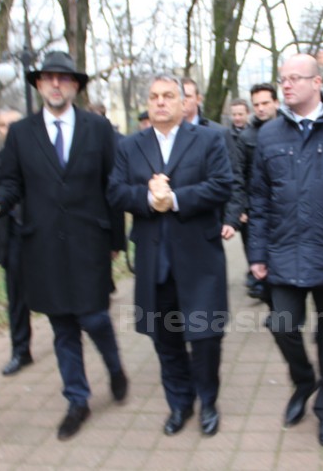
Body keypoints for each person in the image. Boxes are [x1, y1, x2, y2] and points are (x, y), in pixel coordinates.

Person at [0, 51, 128, 441]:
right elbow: (12, 184)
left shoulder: (98, 128)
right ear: (38, 85)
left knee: (95, 318)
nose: (55, 84)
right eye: (48, 77)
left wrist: (116, 241)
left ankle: (115, 368)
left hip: (90, 243)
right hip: (44, 246)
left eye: (63, 78)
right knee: (63, 326)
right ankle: (77, 400)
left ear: (75, 86)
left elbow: (113, 186)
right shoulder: (22, 133)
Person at [248, 54, 323, 447]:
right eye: (282, 78)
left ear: (317, 82)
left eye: (295, 78)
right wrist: (257, 254)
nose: (286, 85)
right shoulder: (269, 134)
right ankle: (304, 382)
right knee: (282, 324)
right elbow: (259, 199)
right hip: (285, 252)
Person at [107, 74, 234, 437]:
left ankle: (208, 401)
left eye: (168, 96)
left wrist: (175, 199)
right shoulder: (130, 146)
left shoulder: (208, 139)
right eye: (154, 96)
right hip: (154, 264)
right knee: (166, 340)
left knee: (206, 339)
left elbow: (222, 185)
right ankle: (179, 403)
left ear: (183, 102)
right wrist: (149, 198)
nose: (160, 102)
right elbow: (115, 191)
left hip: (200, 260)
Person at [0, 108, 34, 376]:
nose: (9, 130)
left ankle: (69, 337)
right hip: (13, 237)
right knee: (16, 297)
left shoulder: (40, 157)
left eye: (14, 124)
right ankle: (20, 350)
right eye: (3, 125)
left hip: (43, 235)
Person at [180, 76, 244, 243]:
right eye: (179, 96)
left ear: (198, 99)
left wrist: (231, 219)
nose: (182, 100)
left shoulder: (218, 133)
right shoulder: (166, 134)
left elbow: (234, 178)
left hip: (211, 221)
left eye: (187, 96)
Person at [235, 83, 280, 303]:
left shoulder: (288, 131)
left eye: (265, 103)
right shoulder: (246, 137)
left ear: (276, 103)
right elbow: (238, 175)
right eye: (257, 105)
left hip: (282, 205)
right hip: (255, 209)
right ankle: (262, 287)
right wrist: (242, 207)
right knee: (257, 254)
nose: (261, 108)